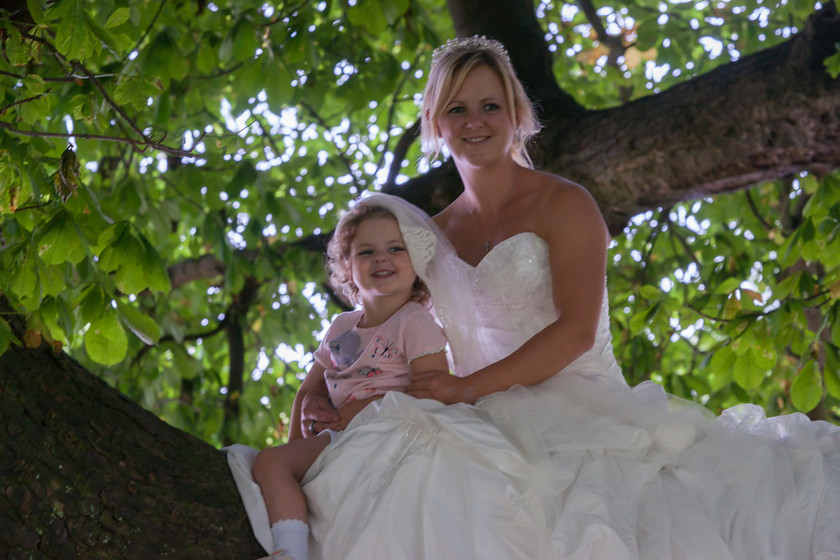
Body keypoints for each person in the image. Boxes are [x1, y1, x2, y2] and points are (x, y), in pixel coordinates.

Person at [228, 36, 840, 559]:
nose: (476, 120)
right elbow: (378, 321)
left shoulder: (566, 203)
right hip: (477, 416)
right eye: (458, 107)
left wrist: (466, 389)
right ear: (436, 123)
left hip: (576, 402)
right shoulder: (426, 237)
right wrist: (314, 387)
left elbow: (575, 332)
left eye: (491, 105)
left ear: (516, 113)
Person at [247, 202, 449, 560]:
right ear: (347, 268)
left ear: (416, 261)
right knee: (271, 463)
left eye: (395, 249)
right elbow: (308, 391)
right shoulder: (342, 329)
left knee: (268, 464)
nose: (381, 259)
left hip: (389, 437)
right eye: (366, 251)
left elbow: (435, 391)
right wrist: (297, 443)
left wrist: (365, 410)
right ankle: (290, 549)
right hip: (337, 438)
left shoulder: (413, 321)